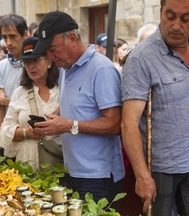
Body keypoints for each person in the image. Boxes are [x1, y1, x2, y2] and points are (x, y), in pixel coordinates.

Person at [121, 0, 189, 216]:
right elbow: (129, 124)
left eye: (186, 18)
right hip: (160, 169)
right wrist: (142, 175)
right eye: (169, 15)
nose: (176, 25)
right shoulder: (141, 58)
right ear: (161, 10)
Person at [31, 11, 124, 202]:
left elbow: (115, 124)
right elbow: (78, 107)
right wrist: (54, 118)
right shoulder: (67, 68)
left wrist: (68, 125)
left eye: (53, 49)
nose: (50, 56)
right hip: (74, 170)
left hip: (99, 176)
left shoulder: (102, 69)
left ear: (72, 38)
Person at [0, 36, 60, 171]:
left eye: (36, 60)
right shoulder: (20, 93)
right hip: (27, 163)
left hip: (57, 160)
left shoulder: (63, 90)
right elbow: (4, 131)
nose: (31, 66)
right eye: (26, 62)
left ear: (49, 61)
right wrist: (27, 133)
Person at [0, 14, 30, 133]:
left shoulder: (35, 65)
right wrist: (1, 140)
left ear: (25, 35)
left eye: (13, 36)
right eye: (5, 37)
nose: (8, 42)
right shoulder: (2, 65)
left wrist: (8, 102)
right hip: (10, 132)